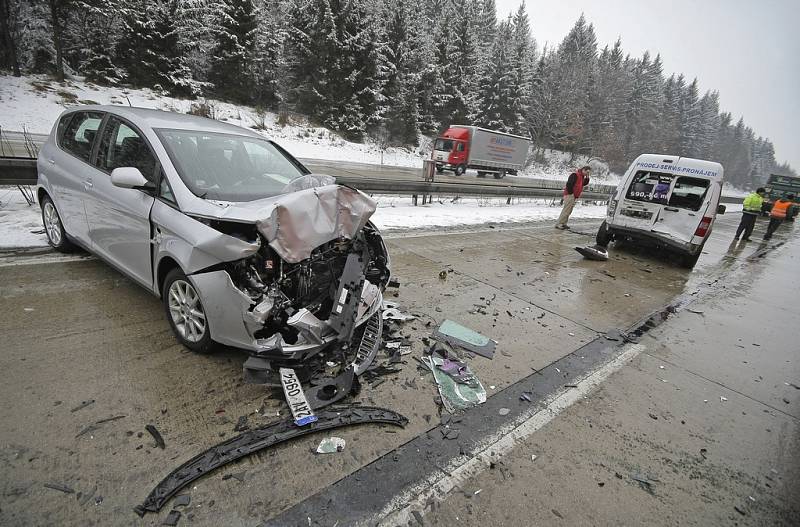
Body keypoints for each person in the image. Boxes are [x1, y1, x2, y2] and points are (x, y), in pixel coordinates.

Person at [555, 165, 592, 230]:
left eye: (588, 173)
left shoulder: (582, 177)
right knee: (566, 210)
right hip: (570, 195)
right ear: (583, 170)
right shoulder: (575, 175)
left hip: (574, 196)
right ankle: (559, 224)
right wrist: (571, 194)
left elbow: (584, 183)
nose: (587, 174)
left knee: (569, 211)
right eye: (587, 172)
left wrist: (587, 177)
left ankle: (564, 223)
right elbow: (569, 184)